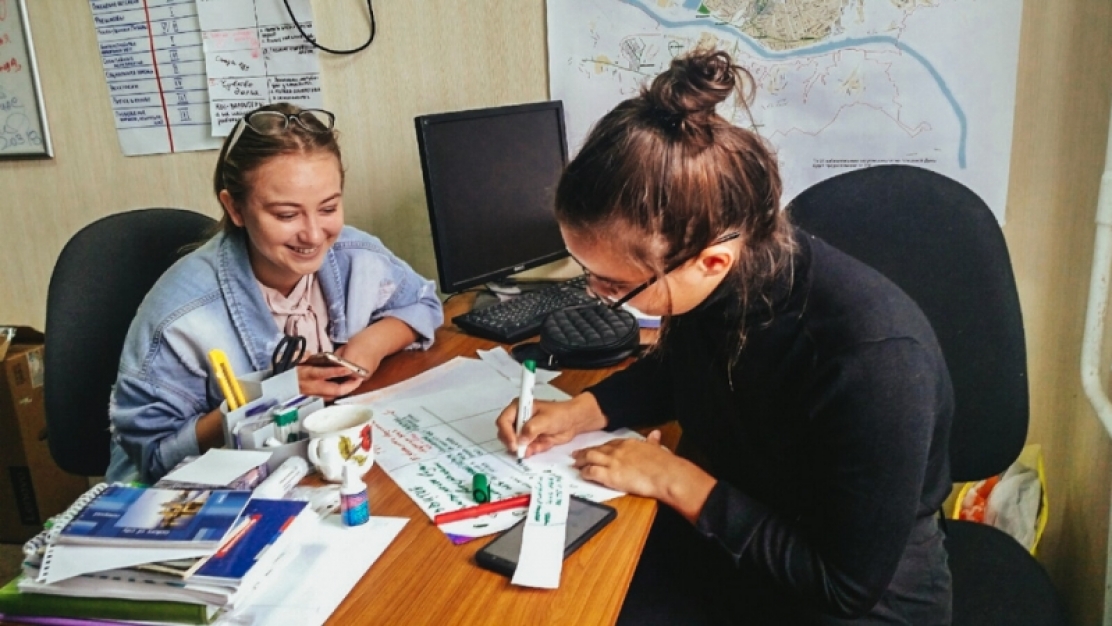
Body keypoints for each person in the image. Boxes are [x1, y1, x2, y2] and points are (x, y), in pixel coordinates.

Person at [497, 50, 952, 625]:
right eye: (587, 272)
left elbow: (843, 586)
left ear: (710, 262)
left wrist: (676, 480)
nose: (597, 294)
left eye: (615, 284)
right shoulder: (724, 277)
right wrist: (584, 410)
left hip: (851, 597)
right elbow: (688, 369)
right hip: (741, 522)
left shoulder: (876, 362)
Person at [108, 103, 443, 485]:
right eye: (287, 215)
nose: (313, 235)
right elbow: (153, 456)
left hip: (316, 470)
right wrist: (275, 396)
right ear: (235, 208)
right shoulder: (181, 315)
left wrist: (369, 345)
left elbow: (422, 302)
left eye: (328, 207)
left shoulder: (355, 254)